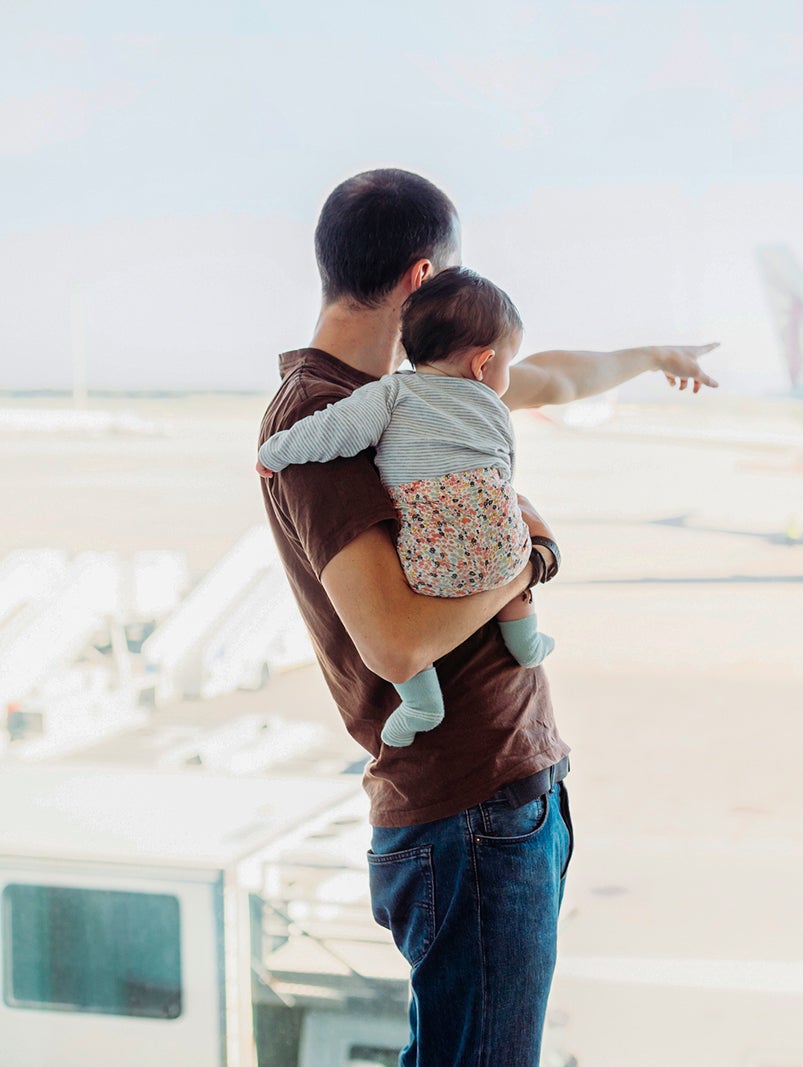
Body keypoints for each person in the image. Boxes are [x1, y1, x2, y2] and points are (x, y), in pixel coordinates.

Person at [258, 167, 717, 1065]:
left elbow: (551, 374)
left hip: (500, 801)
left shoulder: (423, 388)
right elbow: (396, 639)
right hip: (466, 809)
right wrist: (526, 552)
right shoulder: (327, 416)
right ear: (425, 280)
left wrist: (656, 355)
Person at [258, 267, 556, 748]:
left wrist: (273, 454)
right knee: (505, 550)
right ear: (483, 364)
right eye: (508, 363)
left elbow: (333, 432)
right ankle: (527, 643)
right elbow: (505, 474)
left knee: (438, 581)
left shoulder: (390, 394)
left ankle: (420, 703)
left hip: (427, 567)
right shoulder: (494, 408)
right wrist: (528, 546)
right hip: (506, 553)